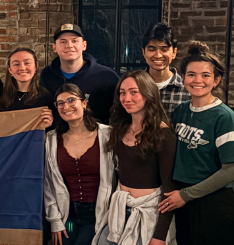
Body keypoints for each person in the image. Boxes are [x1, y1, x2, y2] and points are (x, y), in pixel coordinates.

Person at [159, 42, 234, 245]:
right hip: (182, 200)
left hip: (213, 204)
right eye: (191, 74)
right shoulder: (180, 111)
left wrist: (187, 195)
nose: (198, 80)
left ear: (216, 80)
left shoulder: (224, 117)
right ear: (183, 78)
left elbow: (232, 170)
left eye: (205, 75)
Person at [96, 71, 176, 245]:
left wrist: (160, 235)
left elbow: (170, 188)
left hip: (149, 212)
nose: (127, 98)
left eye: (134, 92)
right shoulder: (119, 128)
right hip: (120, 208)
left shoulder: (163, 134)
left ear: (148, 94)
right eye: (122, 93)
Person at [44, 84, 110, 245]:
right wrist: (55, 221)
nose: (66, 106)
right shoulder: (51, 139)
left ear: (84, 103)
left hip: (100, 216)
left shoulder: (107, 134)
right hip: (68, 217)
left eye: (71, 100)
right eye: (60, 103)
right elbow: (49, 184)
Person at [40, 24, 119, 123]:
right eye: (63, 42)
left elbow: (119, 113)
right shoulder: (46, 75)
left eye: (74, 41)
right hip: (56, 136)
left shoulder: (107, 76)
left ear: (84, 45)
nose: (69, 45)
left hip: (98, 136)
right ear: (55, 47)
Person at [141, 23, 189, 115]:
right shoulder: (133, 86)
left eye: (164, 49)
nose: (158, 55)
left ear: (174, 53)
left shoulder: (186, 89)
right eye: (152, 49)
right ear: (144, 52)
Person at [0, 47, 54, 112]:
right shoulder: (0, 95)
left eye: (27, 63)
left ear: (36, 66)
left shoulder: (45, 97)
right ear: (10, 69)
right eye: (16, 64)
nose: (22, 68)